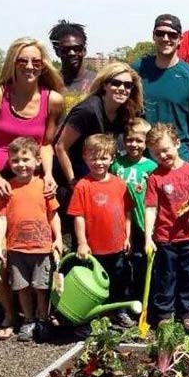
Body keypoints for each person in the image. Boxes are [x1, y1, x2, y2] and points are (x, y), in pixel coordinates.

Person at [0, 37, 64, 340]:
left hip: (31, 180)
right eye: (22, 60)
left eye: (35, 61)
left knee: (34, 243)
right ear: (13, 62)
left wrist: (48, 174)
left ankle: (37, 312)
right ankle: (10, 313)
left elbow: (47, 143)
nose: (29, 66)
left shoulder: (52, 100)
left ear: (43, 64)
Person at [0, 137, 64, 342]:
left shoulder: (44, 186)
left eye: (25, 159)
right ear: (9, 162)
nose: (21, 165)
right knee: (22, 288)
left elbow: (53, 215)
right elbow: (1, 218)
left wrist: (58, 238)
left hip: (41, 249)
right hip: (16, 249)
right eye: (15, 160)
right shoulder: (7, 189)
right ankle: (28, 320)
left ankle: (43, 318)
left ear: (37, 161)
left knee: (41, 288)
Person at [144, 123, 189, 331]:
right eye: (156, 153)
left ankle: (188, 312)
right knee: (166, 276)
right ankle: (164, 312)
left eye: (165, 149)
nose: (162, 155)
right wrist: (148, 237)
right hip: (165, 237)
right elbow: (151, 208)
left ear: (177, 144)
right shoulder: (155, 178)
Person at [67, 134, 134, 328]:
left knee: (119, 280)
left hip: (117, 245)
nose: (99, 162)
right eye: (93, 157)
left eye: (104, 158)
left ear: (112, 158)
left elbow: (127, 212)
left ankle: (119, 311)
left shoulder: (119, 184)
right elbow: (78, 216)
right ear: (85, 158)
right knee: (95, 284)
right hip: (94, 249)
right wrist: (82, 242)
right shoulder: (82, 186)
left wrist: (128, 237)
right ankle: (96, 315)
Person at [133, 14, 189, 163]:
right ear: (153, 36)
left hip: (180, 158)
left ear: (180, 39)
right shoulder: (137, 70)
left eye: (172, 35)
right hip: (142, 158)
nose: (165, 38)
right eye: (160, 33)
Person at [55, 62, 144, 187]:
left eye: (128, 85)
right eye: (116, 83)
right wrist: (72, 181)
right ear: (105, 85)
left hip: (102, 178)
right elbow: (61, 146)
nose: (122, 89)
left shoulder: (125, 112)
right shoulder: (88, 110)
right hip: (76, 178)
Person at [110, 118, 158, 301]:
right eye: (129, 139)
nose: (133, 144)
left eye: (139, 140)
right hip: (120, 221)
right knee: (122, 263)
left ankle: (142, 299)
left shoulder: (151, 167)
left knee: (141, 262)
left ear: (147, 143)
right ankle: (121, 301)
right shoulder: (116, 164)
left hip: (142, 221)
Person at [48, 20, 95, 95]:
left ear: (84, 50)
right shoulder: (49, 83)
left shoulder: (97, 82)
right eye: (66, 49)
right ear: (57, 51)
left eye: (77, 49)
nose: (72, 53)